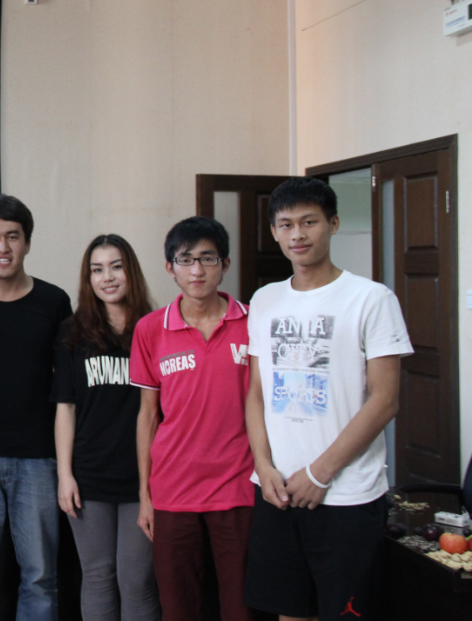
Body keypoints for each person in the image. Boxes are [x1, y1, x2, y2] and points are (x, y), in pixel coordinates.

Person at [243, 177, 412, 621]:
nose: (297, 234)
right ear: (274, 232)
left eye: (309, 222)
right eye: (286, 225)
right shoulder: (265, 300)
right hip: (277, 491)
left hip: (346, 496)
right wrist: (263, 466)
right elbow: (256, 393)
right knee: (290, 611)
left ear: (333, 224)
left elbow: (385, 400)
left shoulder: (371, 299)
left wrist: (320, 473)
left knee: (346, 613)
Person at [130, 216, 255, 621]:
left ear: (225, 264)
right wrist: (145, 495)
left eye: (207, 258)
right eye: (185, 260)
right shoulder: (150, 329)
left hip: (238, 487)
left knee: (241, 606)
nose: (197, 270)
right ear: (170, 267)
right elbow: (148, 416)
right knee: (178, 606)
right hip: (173, 490)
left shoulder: (253, 322)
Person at [0, 193, 73, 621]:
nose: (2, 247)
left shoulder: (54, 302)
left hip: (38, 458)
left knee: (40, 576)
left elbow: (67, 387)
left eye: (12, 236)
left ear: (27, 242)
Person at [55, 234, 160, 621]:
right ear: (88, 279)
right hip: (89, 474)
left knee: (136, 580)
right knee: (98, 576)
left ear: (131, 271)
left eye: (116, 267)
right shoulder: (72, 332)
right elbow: (65, 408)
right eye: (97, 270)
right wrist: (65, 475)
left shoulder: (155, 328)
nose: (108, 277)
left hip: (143, 475)